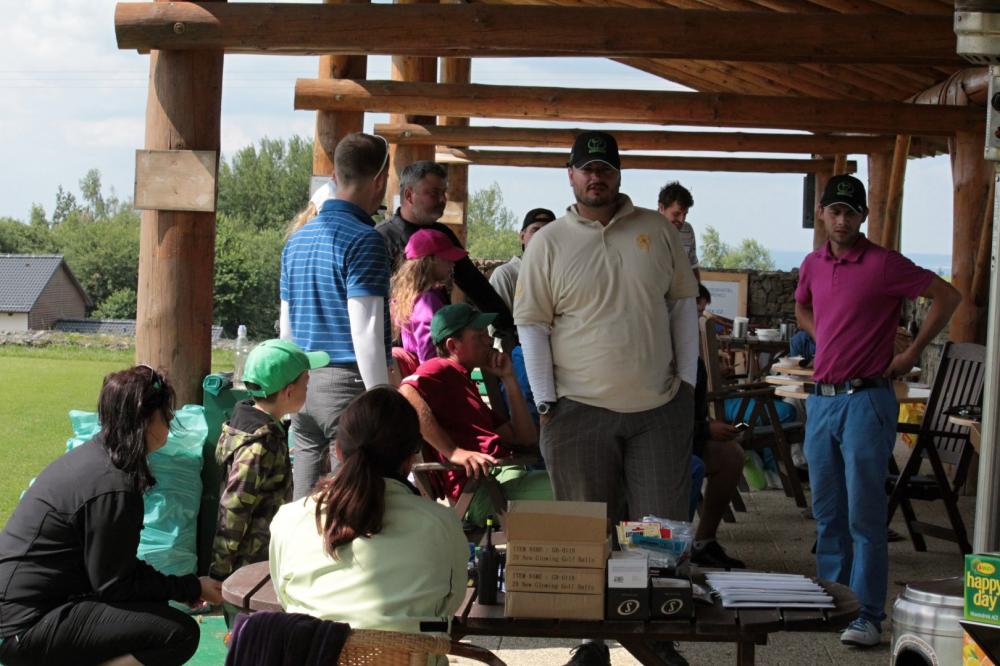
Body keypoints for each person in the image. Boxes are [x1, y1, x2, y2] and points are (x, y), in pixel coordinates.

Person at [515, 131, 699, 666]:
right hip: (577, 409)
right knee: (584, 533)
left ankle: (656, 639)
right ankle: (590, 642)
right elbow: (531, 325)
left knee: (657, 531)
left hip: (658, 409)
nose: (596, 177)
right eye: (587, 168)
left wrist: (687, 387)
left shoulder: (658, 231)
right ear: (570, 174)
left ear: (619, 174)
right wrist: (546, 402)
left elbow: (681, 308)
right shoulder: (548, 242)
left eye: (605, 168)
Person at [795, 174, 960, 648]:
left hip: (867, 399)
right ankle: (834, 603)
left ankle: (867, 615)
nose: (842, 220)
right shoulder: (812, 263)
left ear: (863, 216)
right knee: (827, 513)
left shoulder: (884, 264)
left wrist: (911, 353)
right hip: (822, 400)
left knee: (864, 514)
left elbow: (948, 296)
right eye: (834, 211)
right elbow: (802, 307)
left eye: (851, 212)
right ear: (822, 214)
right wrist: (825, 335)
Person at [0, 366, 223, 666]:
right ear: (145, 419)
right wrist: (191, 588)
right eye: (166, 414)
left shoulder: (97, 458)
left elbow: (114, 569)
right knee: (178, 633)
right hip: (24, 628)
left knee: (152, 608)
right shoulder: (113, 485)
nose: (170, 422)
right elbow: (116, 585)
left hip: (23, 614)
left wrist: (186, 588)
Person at [268, 388, 468, 657]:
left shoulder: (290, 519)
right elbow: (449, 603)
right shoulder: (441, 523)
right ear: (411, 458)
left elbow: (286, 598)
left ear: (338, 450)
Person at [280, 132, 393, 499]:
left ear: (335, 175)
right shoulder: (366, 239)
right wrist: (382, 400)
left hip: (301, 383)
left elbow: (286, 328)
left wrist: (289, 385)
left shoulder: (296, 240)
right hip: (346, 384)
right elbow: (366, 330)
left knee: (304, 501)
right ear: (380, 180)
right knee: (351, 501)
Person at [399, 304, 552, 528]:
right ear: (453, 345)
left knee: (577, 481)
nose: (489, 341)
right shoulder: (441, 367)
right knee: (576, 487)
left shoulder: (464, 381)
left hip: (500, 477)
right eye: (479, 336)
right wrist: (453, 452)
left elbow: (525, 437)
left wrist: (509, 378)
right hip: (478, 491)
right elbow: (406, 393)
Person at [210, 339, 329, 586]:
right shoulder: (259, 444)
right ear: (289, 392)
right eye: (306, 383)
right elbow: (234, 506)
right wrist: (220, 573)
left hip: (260, 560)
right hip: (248, 568)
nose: (308, 389)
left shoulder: (253, 424)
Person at [375, 160, 514, 333]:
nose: (443, 199)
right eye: (434, 193)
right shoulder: (381, 238)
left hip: (437, 339)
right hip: (395, 342)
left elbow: (476, 286)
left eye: (443, 193)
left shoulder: (443, 235)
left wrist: (508, 329)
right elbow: (372, 301)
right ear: (409, 195)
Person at [691, 284, 747, 569]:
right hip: (657, 444)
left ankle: (703, 542)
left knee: (730, 454)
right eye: (696, 311)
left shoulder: (692, 357)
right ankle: (658, 545)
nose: (699, 318)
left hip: (687, 437)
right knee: (690, 468)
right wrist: (704, 429)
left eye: (701, 312)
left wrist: (707, 425)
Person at [391, 228, 468, 364]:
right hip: (433, 372)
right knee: (478, 374)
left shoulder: (410, 296)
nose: (452, 263)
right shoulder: (426, 301)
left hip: (426, 371)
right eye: (448, 258)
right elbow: (429, 355)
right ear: (432, 260)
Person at [489, 207, 556, 311]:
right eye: (535, 230)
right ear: (522, 236)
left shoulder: (562, 275)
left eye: (548, 231)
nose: (542, 236)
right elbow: (498, 320)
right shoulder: (505, 275)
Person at [658, 181, 700, 279]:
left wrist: (697, 287)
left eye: (685, 214)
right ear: (661, 208)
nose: (682, 220)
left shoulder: (687, 230)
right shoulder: (645, 228)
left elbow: (692, 266)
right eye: (676, 214)